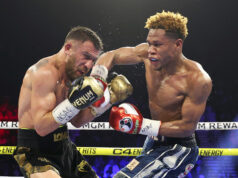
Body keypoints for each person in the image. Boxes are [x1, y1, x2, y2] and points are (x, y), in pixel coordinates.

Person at [94, 11, 212, 177]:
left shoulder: (197, 79)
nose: (150, 50)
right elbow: (111, 55)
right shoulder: (146, 54)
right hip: (152, 140)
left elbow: (187, 127)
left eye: (157, 45)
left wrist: (141, 125)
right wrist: (96, 80)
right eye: (149, 43)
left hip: (178, 149)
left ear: (178, 44)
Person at [13, 26, 133, 178]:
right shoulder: (43, 73)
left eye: (93, 60)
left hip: (64, 148)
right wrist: (74, 103)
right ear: (68, 48)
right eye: (86, 56)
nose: (89, 65)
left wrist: (110, 98)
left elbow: (78, 121)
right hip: (35, 151)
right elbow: (42, 128)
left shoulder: (74, 76)